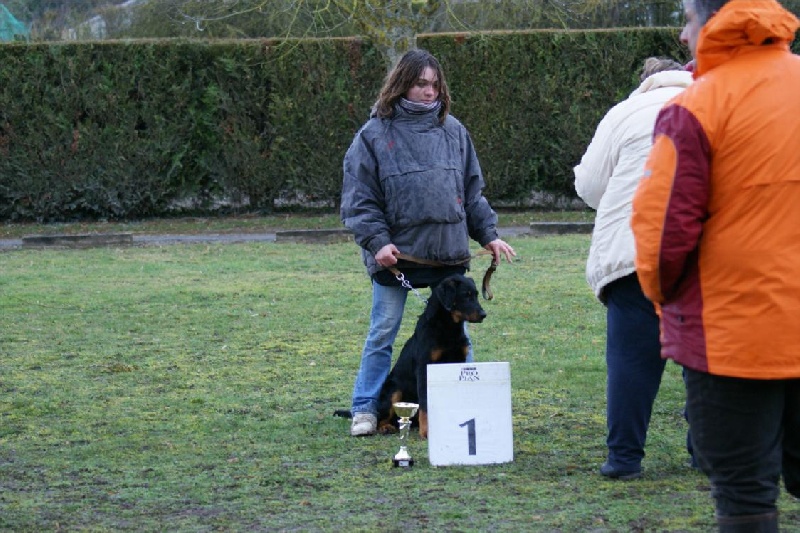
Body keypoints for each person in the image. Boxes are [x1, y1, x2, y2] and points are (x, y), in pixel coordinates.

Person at [631, 0, 800, 530]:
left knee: (745, 498)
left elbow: (662, 238)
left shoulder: (698, 106)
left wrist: (666, 301)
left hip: (733, 340)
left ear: (710, 20)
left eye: (685, 19)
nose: (682, 36)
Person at [340, 49, 515, 437]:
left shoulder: (454, 131)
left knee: (459, 335)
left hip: (447, 254)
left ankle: (464, 406)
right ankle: (366, 408)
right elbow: (360, 199)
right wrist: (376, 242)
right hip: (396, 257)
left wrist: (489, 234)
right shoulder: (372, 135)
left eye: (434, 84)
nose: (429, 91)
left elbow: (471, 192)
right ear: (402, 84)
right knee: (383, 331)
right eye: (421, 83)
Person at [574, 57, 693, 480]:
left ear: (644, 83)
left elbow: (588, 186)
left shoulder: (624, 111)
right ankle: (707, 452)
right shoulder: (711, 101)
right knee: (703, 358)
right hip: (699, 252)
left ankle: (624, 457)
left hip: (632, 254)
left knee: (629, 360)